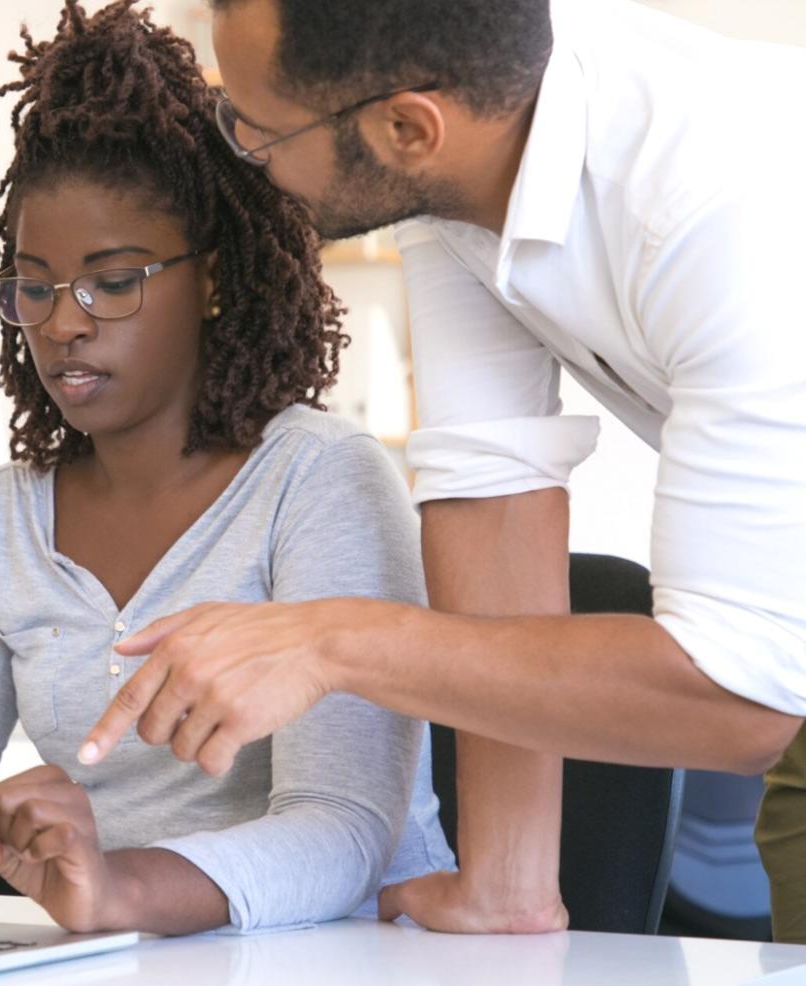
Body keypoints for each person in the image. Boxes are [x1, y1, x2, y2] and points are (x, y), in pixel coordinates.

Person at [76, 0, 806, 938]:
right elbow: (491, 492)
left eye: (257, 128)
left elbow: (736, 699)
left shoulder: (721, 212)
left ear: (406, 127)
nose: (243, 157)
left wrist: (333, 642)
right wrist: (504, 885)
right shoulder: (469, 136)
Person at [0, 0, 452, 936]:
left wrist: (122, 888)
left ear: (213, 279)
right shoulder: (3, 518)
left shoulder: (318, 479)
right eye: (35, 286)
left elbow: (346, 832)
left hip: (351, 953)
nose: (64, 322)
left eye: (115, 279)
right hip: (121, 953)